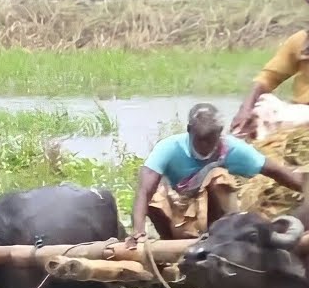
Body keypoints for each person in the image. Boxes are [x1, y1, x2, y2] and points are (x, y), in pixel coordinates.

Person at [127, 103, 304, 247]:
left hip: (219, 221)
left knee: (218, 176)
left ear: (220, 133)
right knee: (154, 195)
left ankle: (222, 238)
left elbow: (276, 171)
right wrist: (138, 231)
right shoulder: (168, 148)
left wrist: (304, 189)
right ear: (189, 130)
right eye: (199, 139)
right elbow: (144, 190)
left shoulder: (234, 149)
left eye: (210, 139)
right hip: (179, 215)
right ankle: (169, 245)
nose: (204, 146)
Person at [231, 0, 309, 140]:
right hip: (302, 113)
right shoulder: (300, 41)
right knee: (262, 107)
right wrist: (245, 109)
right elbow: (267, 78)